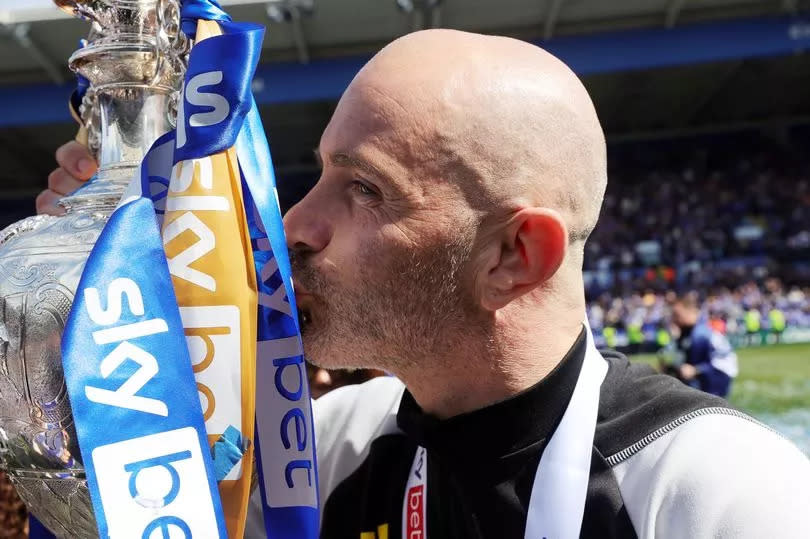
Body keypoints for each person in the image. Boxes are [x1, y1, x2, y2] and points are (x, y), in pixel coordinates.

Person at [40, 29, 810, 539]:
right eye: (320, 174)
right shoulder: (330, 447)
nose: (297, 226)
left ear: (515, 253)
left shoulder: (721, 497)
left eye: (366, 190)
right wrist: (90, 288)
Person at [670, 295, 739, 398]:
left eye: (677, 315)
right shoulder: (688, 331)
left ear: (690, 311)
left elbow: (725, 365)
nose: (674, 320)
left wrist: (696, 370)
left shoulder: (703, 333)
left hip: (714, 384)